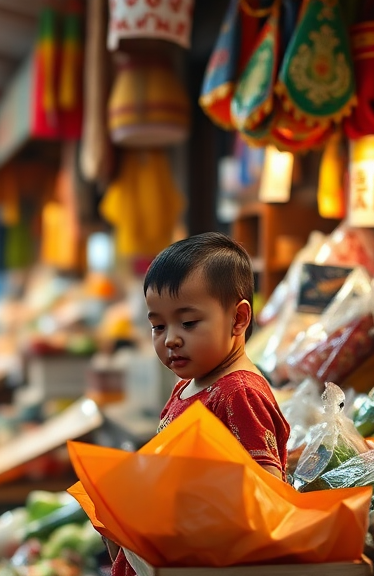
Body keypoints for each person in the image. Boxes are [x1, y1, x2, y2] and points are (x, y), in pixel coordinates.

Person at [110, 232, 290, 576]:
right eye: (158, 326)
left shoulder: (239, 392)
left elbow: (267, 498)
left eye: (188, 323)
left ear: (238, 319)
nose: (171, 338)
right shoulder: (186, 387)